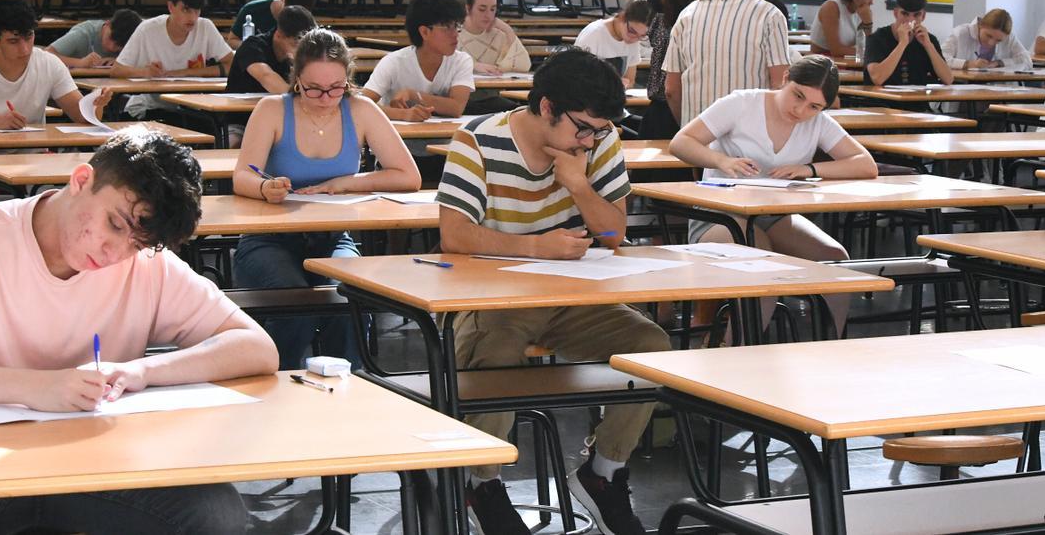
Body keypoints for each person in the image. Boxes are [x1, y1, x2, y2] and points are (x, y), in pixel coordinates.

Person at [0, 128, 278, 533]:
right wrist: (38, 388)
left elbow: (257, 347)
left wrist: (144, 371)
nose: (116, 252)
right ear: (81, 180)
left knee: (217, 516)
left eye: (138, 243)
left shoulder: (146, 264)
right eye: (114, 224)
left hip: (96, 462)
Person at [437, 49, 670, 535]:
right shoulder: (478, 139)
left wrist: (579, 187)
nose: (590, 140)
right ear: (546, 107)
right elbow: (454, 235)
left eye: (599, 130)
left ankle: (603, 473)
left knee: (651, 346)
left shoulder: (598, 140)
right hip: (493, 298)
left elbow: (614, 234)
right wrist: (535, 246)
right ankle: (480, 481)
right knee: (498, 354)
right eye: (582, 128)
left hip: (569, 297)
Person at [233, 28, 420, 370]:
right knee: (295, 307)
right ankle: (274, 384)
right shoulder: (272, 109)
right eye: (313, 89)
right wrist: (264, 188)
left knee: (348, 303)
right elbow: (243, 175)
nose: (325, 97)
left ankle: (344, 387)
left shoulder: (360, 109)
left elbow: (408, 176)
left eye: (336, 88)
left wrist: (345, 183)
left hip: (333, 237)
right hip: (268, 239)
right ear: (296, 80)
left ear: (348, 80)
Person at [668, 55, 876, 332]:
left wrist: (810, 169)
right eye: (797, 95)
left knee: (835, 259)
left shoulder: (818, 122)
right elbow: (681, 142)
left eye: (814, 106)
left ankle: (829, 347)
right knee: (763, 265)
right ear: (785, 78)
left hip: (773, 216)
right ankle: (734, 350)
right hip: (718, 215)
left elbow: (865, 164)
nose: (801, 110)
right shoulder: (742, 103)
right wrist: (722, 161)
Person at [663, 0, 790, 125]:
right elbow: (780, 84)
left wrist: (687, 125)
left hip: (696, 132)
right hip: (750, 130)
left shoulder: (687, 15)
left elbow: (671, 89)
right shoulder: (769, 15)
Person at [0, 0, 110, 129]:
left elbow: (83, 117)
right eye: (13, 41)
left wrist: (95, 104)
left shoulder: (49, 63)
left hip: (34, 149)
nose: (25, 49)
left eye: (29, 37)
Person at [111, 0, 234, 119]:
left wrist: (185, 73)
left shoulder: (205, 27)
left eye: (197, 11)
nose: (193, 18)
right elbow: (116, 70)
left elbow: (232, 64)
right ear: (170, 7)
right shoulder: (148, 29)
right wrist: (145, 72)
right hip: (150, 107)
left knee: (210, 125)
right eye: (186, 10)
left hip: (191, 107)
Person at [362, 0, 474, 122]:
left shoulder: (461, 61)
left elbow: (457, 107)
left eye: (456, 26)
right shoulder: (394, 62)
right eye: (447, 27)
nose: (455, 34)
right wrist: (402, 114)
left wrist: (414, 95)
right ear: (424, 32)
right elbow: (361, 104)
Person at [224, 5, 317, 147]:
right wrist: (300, 98)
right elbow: (265, 76)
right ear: (279, 35)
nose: (300, 50)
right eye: (295, 43)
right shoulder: (252, 47)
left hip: (279, 121)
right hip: (241, 121)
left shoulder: (301, 56)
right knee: (235, 144)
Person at [637, 0, 696, 139]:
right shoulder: (661, 16)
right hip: (663, 106)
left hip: (675, 107)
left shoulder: (688, 18)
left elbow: (671, 88)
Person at [864, 0, 953, 86]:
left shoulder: (929, 40)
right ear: (896, 13)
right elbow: (877, 78)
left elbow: (948, 79)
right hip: (883, 96)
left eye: (916, 15)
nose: (910, 20)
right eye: (905, 14)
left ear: (923, 16)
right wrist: (902, 44)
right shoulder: (877, 38)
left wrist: (928, 46)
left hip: (917, 96)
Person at [573, 0, 652, 88]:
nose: (634, 39)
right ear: (622, 17)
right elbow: (579, 80)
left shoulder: (634, 38)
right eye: (632, 31)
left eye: (642, 36)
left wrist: (622, 85)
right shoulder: (594, 34)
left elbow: (630, 80)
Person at [457, 0, 531, 75]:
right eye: (482, 9)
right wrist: (473, 65)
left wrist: (508, 30)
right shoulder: (453, 33)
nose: (488, 15)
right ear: (468, 8)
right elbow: (444, 64)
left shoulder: (500, 33)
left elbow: (524, 65)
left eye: (492, 9)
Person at [225, 0, 318, 48]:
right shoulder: (252, 10)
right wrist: (253, 47)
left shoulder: (304, 19)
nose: (291, 18)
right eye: (288, 10)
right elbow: (231, 41)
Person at [45, 9, 143, 68]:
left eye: (119, 46)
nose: (112, 47)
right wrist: (80, 63)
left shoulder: (132, 38)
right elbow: (47, 54)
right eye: (110, 38)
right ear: (107, 24)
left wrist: (118, 61)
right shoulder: (82, 34)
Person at [809, 0, 876, 57]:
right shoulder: (831, 7)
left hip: (844, 59)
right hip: (822, 59)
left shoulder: (861, 12)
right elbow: (836, 50)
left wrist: (868, 23)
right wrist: (869, 52)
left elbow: (865, 45)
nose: (872, 2)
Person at [941, 9, 1031, 71]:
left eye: (998, 40)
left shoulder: (1009, 38)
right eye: (988, 36)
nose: (991, 43)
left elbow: (1027, 60)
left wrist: (1000, 63)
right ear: (980, 25)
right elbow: (940, 59)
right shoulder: (960, 33)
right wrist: (969, 64)